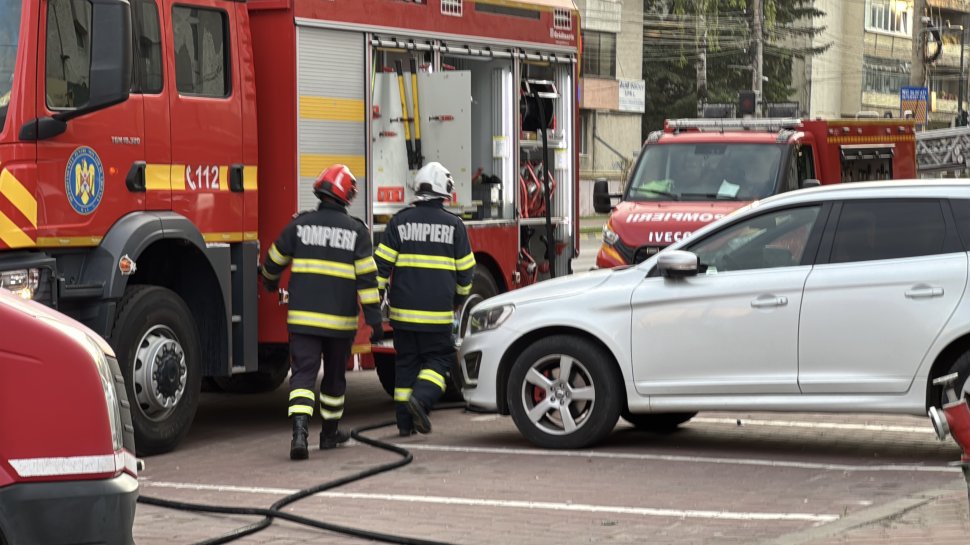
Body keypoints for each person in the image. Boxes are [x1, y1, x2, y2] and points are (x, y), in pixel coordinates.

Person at [259, 164, 383, 460]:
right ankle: (329, 434)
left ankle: (299, 435)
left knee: (303, 375)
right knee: (335, 379)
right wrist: (375, 322)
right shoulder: (357, 232)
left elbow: (273, 260)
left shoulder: (300, 225)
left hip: (303, 322)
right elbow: (368, 281)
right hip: (339, 324)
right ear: (347, 196)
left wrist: (270, 282)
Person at [374, 162, 475, 436]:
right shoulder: (454, 225)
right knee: (441, 361)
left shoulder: (399, 221)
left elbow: (380, 267)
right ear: (444, 192)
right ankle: (421, 400)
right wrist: (458, 299)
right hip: (437, 316)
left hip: (403, 317)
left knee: (405, 365)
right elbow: (467, 272)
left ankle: (404, 424)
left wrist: (376, 302)